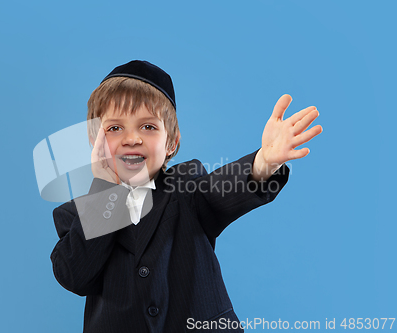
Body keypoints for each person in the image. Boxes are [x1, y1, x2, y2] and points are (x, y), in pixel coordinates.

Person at [50, 60, 322, 332]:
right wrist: (107, 191)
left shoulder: (187, 187)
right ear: (93, 140)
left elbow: (222, 189)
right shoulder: (75, 216)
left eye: (148, 127)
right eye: (114, 128)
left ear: (172, 142)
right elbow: (75, 276)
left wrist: (263, 163)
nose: (132, 139)